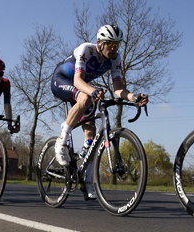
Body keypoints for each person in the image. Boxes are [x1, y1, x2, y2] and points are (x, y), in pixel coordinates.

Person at [51, 24, 148, 200]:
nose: (113, 48)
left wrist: (133, 97)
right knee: (85, 98)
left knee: (92, 133)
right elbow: (78, 80)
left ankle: (87, 181)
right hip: (63, 80)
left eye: (117, 45)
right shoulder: (86, 50)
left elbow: (118, 89)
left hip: (84, 88)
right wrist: (93, 90)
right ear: (99, 43)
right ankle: (62, 139)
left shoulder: (115, 59)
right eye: (110, 43)